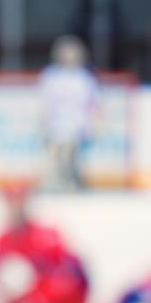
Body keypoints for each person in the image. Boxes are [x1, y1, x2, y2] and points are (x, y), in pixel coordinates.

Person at [38, 36, 100, 191]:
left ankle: (73, 183)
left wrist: (94, 122)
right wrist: (43, 120)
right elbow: (44, 100)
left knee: (73, 157)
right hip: (55, 125)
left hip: (77, 126)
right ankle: (54, 184)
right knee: (54, 158)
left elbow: (93, 102)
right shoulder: (51, 76)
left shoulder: (84, 77)